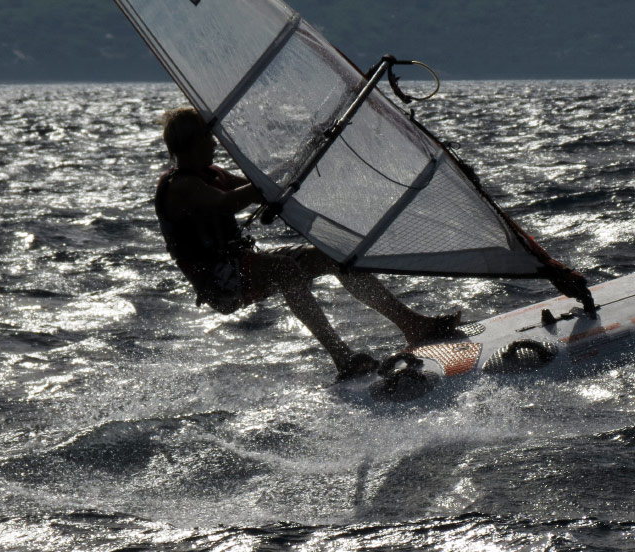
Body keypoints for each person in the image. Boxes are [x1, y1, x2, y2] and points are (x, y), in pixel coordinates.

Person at [155, 106, 460, 380]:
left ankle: (411, 325)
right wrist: (273, 178)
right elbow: (228, 202)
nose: (214, 143)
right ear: (191, 143)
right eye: (208, 137)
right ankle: (343, 358)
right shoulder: (180, 187)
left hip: (244, 264)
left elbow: (264, 187)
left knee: (333, 256)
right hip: (221, 283)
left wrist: (308, 152)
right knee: (285, 270)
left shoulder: (212, 174)